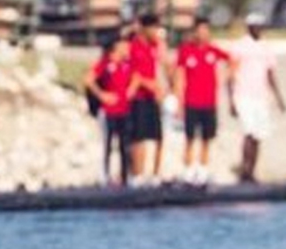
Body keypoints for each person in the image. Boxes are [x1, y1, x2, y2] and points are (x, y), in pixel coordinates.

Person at [168, 18, 231, 186]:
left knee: (206, 137)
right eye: (200, 30)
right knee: (189, 137)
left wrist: (224, 78)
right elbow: (179, 76)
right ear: (195, 32)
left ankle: (203, 169)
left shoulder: (213, 50)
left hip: (209, 101)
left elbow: (232, 60)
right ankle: (188, 170)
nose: (203, 34)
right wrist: (179, 102)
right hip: (191, 101)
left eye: (206, 30)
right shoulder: (186, 50)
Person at [228, 13, 286, 183]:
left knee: (259, 135)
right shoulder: (240, 47)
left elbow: (270, 74)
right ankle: (245, 170)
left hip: (261, 96)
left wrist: (279, 99)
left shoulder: (266, 47)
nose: (259, 29)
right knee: (249, 132)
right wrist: (231, 100)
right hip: (244, 95)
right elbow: (231, 75)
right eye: (255, 26)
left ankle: (252, 170)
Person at [85, 37, 138, 187]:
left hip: (124, 109)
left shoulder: (127, 64)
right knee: (107, 144)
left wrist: (131, 89)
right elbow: (88, 79)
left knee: (125, 144)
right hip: (109, 111)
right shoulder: (105, 64)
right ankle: (105, 174)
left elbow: (137, 77)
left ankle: (126, 175)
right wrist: (102, 95)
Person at [128, 13, 167, 181]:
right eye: (153, 28)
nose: (156, 32)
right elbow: (133, 74)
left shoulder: (154, 46)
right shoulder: (133, 46)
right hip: (139, 97)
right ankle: (138, 174)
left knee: (158, 137)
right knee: (139, 137)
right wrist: (149, 84)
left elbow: (164, 63)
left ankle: (155, 175)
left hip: (153, 97)